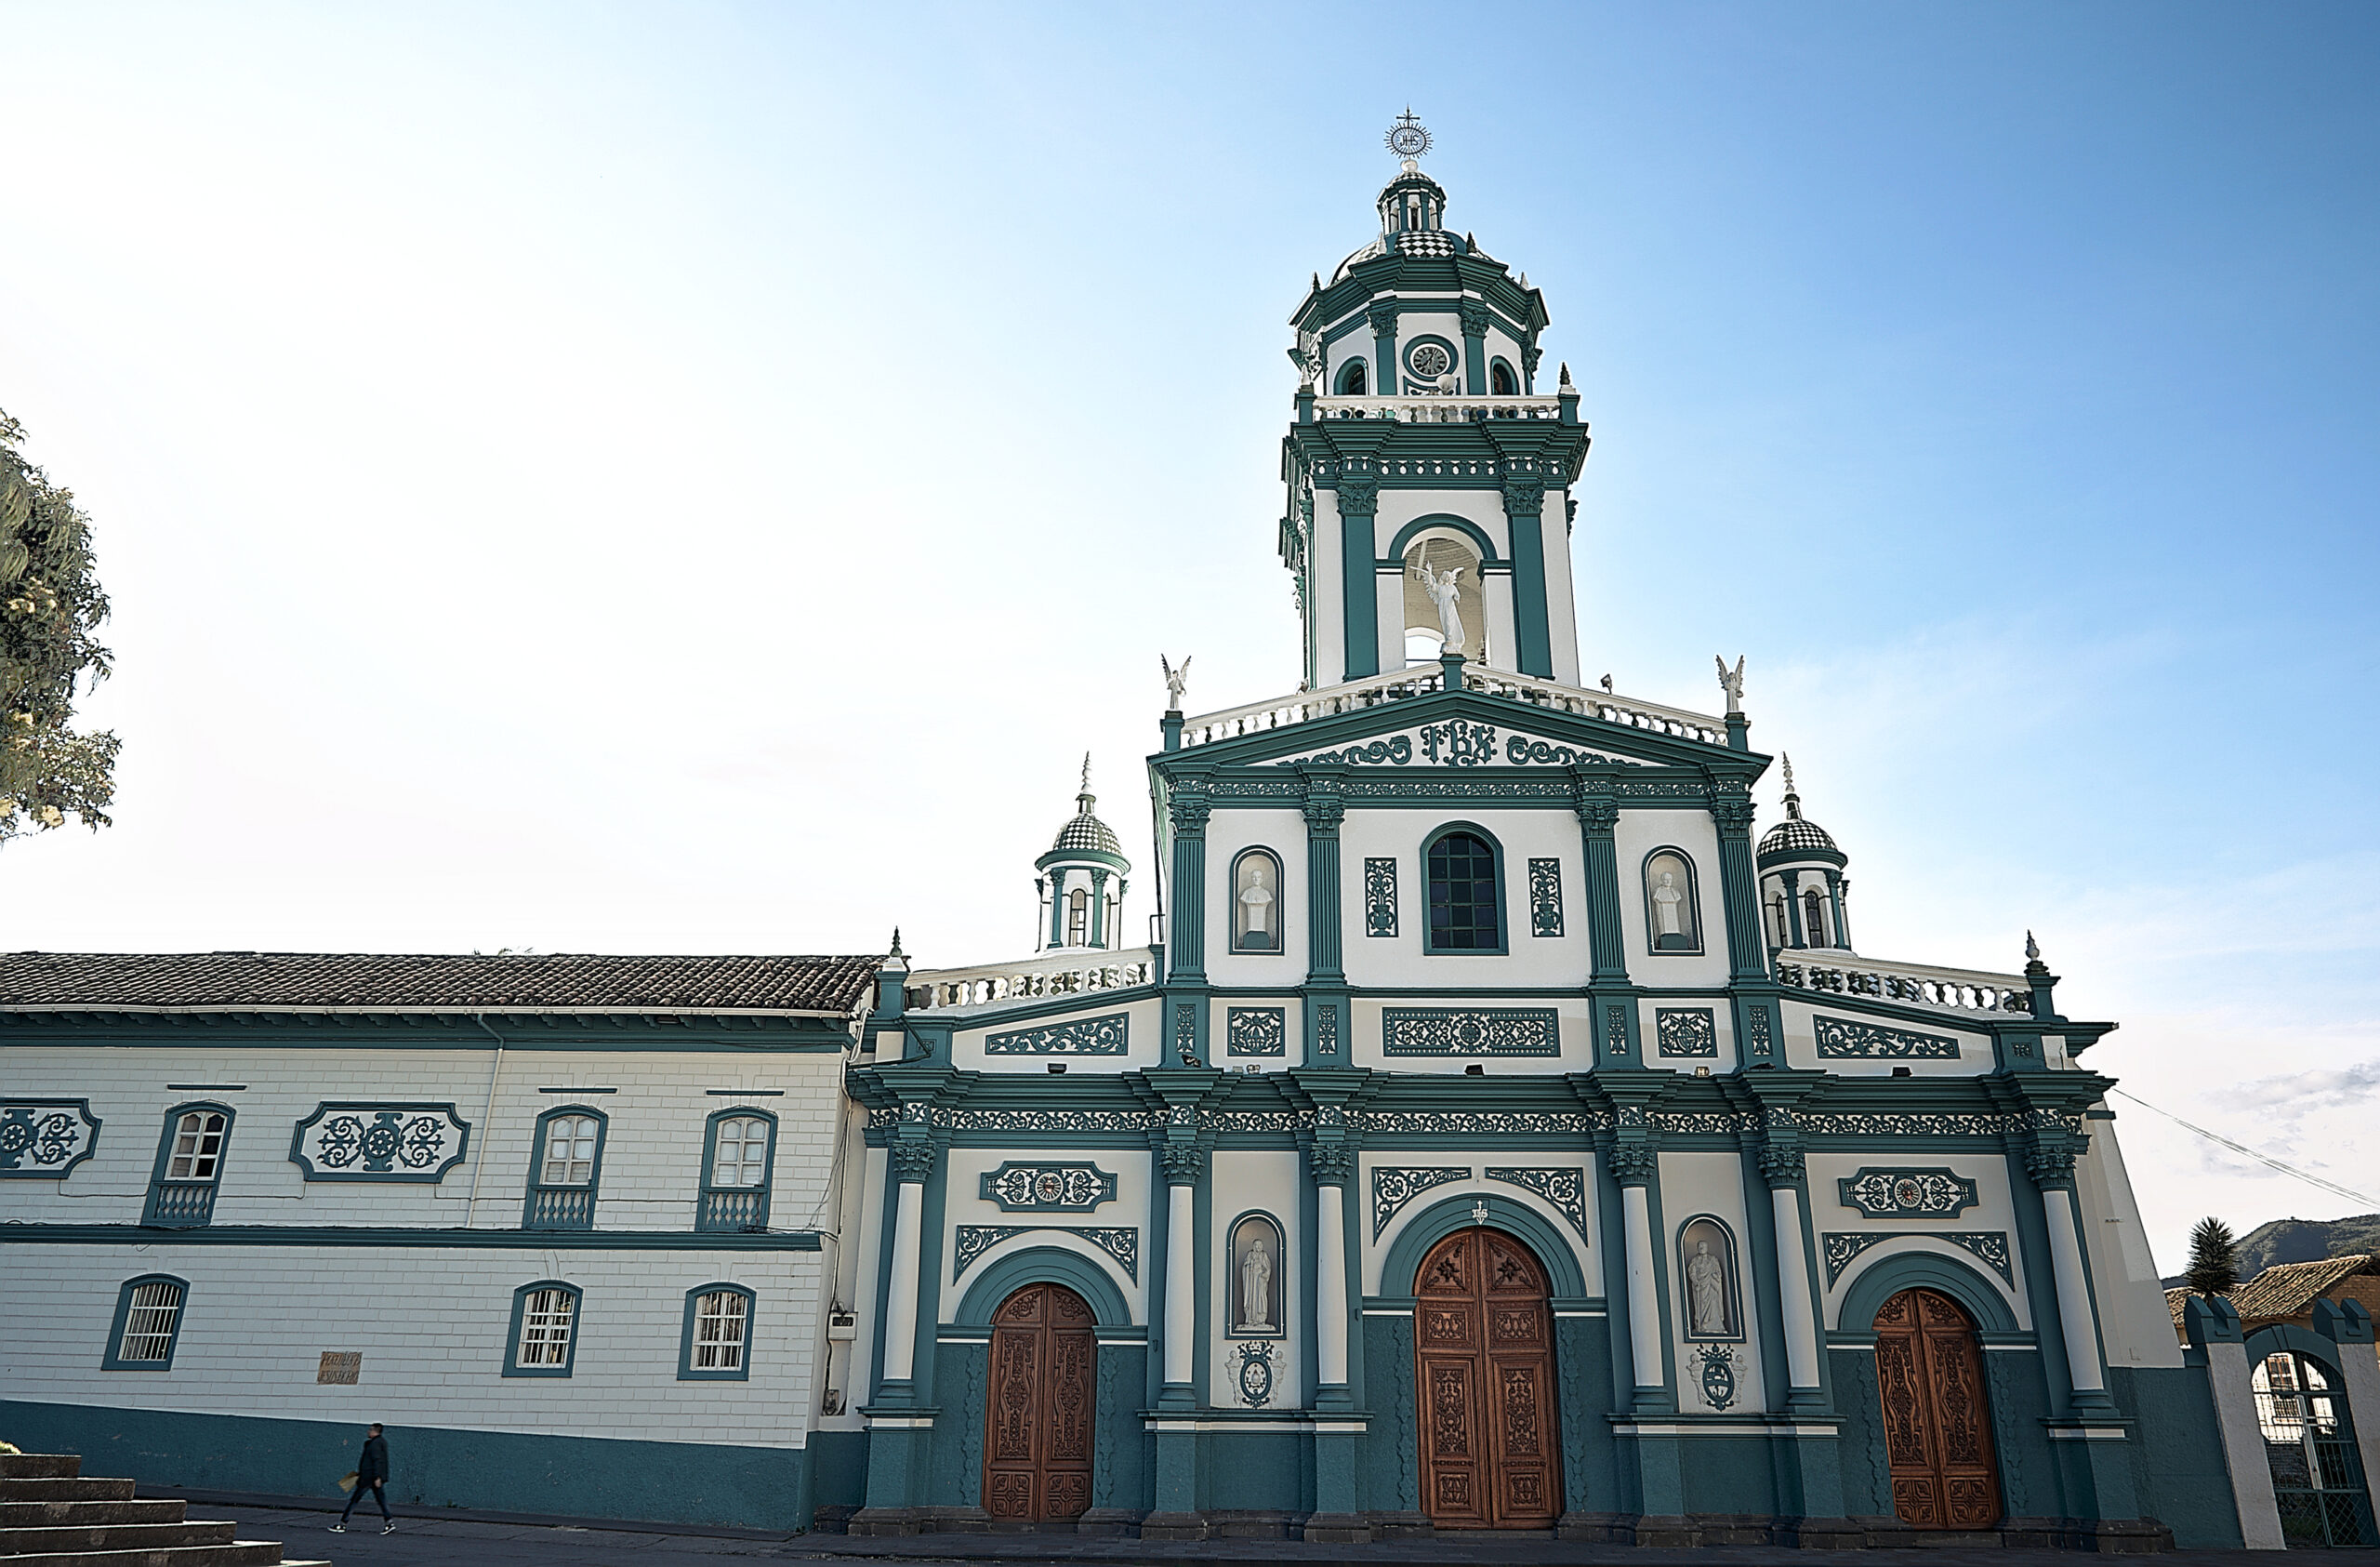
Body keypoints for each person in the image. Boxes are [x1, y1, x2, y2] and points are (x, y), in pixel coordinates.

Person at [330, 1422, 393, 1534]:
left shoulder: (374, 1444)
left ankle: (343, 1524)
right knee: (381, 1500)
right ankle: (389, 1523)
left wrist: (377, 1477)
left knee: (354, 1500)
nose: (368, 1432)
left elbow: (377, 1461)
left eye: (370, 1430)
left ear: (375, 1431)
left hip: (368, 1478)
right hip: (372, 1477)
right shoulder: (379, 1442)